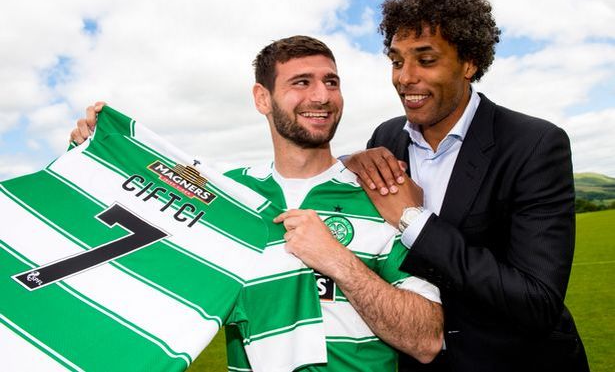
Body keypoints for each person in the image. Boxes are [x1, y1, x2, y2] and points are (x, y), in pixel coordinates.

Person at [70, 36, 444, 371]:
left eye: (331, 82)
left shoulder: (380, 192)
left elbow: (426, 340)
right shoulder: (226, 196)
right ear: (262, 98)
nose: (321, 96)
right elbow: (132, 255)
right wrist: (94, 163)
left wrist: (337, 261)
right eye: (301, 82)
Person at [343, 0, 589, 372]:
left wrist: (413, 221)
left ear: (469, 63)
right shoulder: (386, 137)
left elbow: (537, 300)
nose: (405, 77)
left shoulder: (535, 144)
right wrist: (349, 163)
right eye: (396, 60)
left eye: (425, 60)